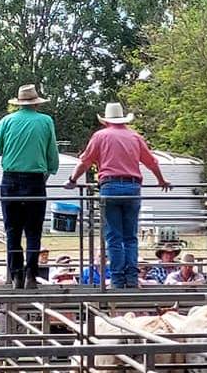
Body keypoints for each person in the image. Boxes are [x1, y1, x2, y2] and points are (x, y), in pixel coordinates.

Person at [65, 102, 172, 289]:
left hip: (110, 187)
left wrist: (73, 179)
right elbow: (151, 162)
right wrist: (161, 180)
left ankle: (116, 279)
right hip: (132, 188)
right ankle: (131, 278)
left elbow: (85, 161)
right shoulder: (134, 137)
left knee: (114, 236)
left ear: (106, 121)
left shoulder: (100, 136)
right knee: (130, 236)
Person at [0, 84, 59, 290]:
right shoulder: (46, 122)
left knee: (12, 231)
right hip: (35, 180)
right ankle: (31, 275)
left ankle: (16, 275)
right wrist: (49, 169)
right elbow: (52, 155)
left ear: (19, 103)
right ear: (36, 103)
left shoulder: (7, 121)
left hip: (10, 180)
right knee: (33, 232)